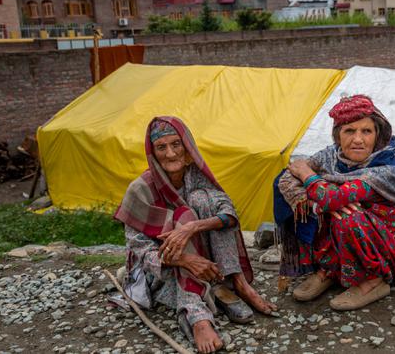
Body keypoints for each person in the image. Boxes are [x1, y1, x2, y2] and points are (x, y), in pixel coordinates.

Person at [115, 116, 276, 353]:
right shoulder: (140, 189)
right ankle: (197, 315)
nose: (170, 154)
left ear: (187, 147)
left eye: (176, 145)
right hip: (162, 270)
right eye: (161, 147)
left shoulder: (195, 175)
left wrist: (192, 228)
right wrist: (186, 259)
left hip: (208, 264)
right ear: (152, 153)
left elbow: (229, 214)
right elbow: (139, 249)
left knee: (202, 203)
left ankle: (236, 282)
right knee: (184, 215)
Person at [274, 95, 395, 311]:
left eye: (366, 131)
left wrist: (309, 176)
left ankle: (373, 281)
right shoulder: (330, 156)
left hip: (385, 243)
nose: (358, 140)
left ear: (378, 135)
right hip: (349, 229)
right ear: (338, 136)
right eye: (349, 131)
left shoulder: (383, 169)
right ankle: (330, 270)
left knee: (346, 215)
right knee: (322, 209)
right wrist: (315, 205)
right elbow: (287, 177)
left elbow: (328, 195)